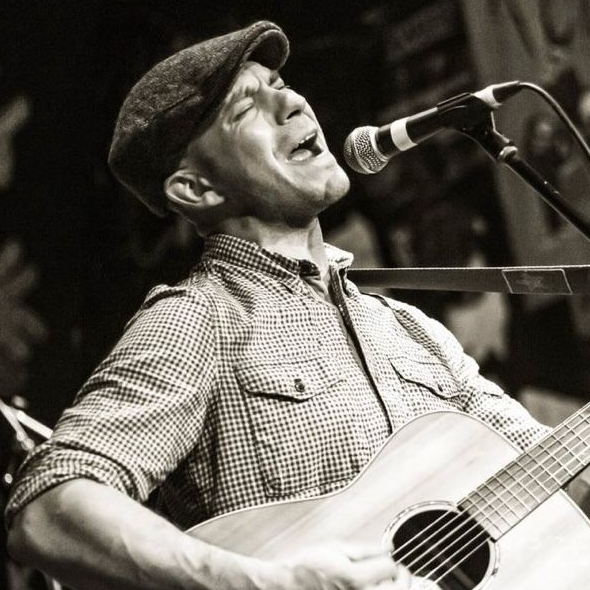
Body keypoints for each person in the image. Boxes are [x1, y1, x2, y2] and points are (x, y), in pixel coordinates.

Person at [5, 21, 551, 590]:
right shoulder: (199, 319)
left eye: (281, 85)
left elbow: (549, 469)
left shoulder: (407, 328)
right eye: (247, 108)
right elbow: (47, 509)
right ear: (197, 189)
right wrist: (269, 583)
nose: (292, 103)